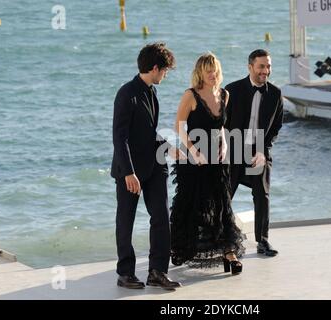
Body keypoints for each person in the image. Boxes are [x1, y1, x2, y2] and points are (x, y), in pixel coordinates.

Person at [111, 43, 183, 290]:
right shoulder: (126, 93)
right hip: (129, 172)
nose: (166, 75)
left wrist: (169, 148)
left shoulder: (152, 92)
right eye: (165, 71)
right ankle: (125, 273)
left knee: (161, 217)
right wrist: (129, 172)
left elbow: (148, 133)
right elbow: (120, 137)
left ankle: (157, 272)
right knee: (126, 220)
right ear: (154, 68)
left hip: (154, 167)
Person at [170, 52, 245, 274]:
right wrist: (194, 151)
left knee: (222, 206)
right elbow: (178, 127)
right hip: (194, 161)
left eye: (215, 70)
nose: (213, 74)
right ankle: (181, 248)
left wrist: (224, 145)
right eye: (208, 70)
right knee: (192, 206)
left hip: (218, 161)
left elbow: (221, 126)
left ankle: (228, 253)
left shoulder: (225, 95)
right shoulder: (190, 96)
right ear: (200, 73)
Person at [225, 49, 284, 257]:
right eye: (261, 66)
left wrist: (264, 150)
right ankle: (221, 240)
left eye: (268, 66)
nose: (265, 71)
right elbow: (222, 124)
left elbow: (276, 126)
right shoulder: (232, 90)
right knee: (224, 195)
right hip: (233, 151)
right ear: (250, 67)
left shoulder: (276, 94)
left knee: (262, 194)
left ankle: (263, 240)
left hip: (259, 152)